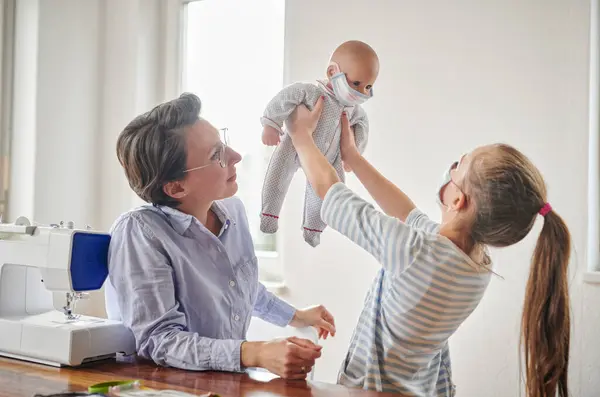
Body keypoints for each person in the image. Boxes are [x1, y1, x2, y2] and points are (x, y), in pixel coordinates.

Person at [285, 97, 571, 397]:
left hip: (372, 392)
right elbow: (409, 215)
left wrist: (300, 135)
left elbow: (331, 193)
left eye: (458, 165)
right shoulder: (478, 264)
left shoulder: (415, 252)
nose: (451, 168)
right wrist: (352, 157)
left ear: (458, 200)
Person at [104, 93, 336, 379]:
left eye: (222, 144)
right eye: (216, 155)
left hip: (227, 384)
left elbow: (239, 287)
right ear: (176, 188)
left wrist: (296, 316)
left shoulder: (232, 211)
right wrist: (255, 353)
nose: (235, 156)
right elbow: (159, 340)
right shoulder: (141, 233)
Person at [259, 40, 379, 247]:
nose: (362, 92)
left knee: (331, 191)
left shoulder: (353, 111)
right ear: (333, 72)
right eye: (356, 83)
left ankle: (313, 231)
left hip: (329, 157)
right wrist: (271, 124)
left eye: (368, 86)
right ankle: (268, 217)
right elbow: (284, 98)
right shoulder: (312, 92)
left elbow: (362, 126)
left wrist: (353, 154)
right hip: (293, 145)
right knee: (277, 175)